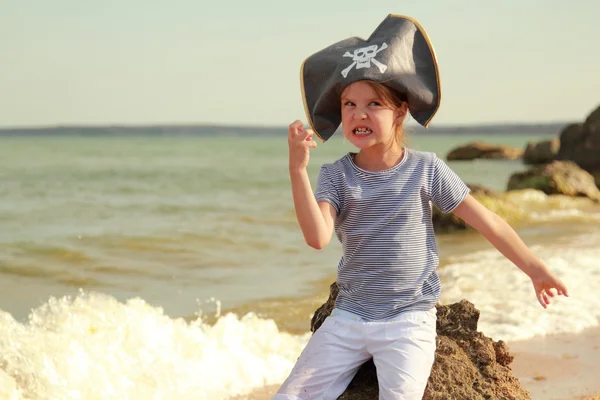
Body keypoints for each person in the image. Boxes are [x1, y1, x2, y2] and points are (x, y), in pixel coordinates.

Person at [274, 14, 568, 400]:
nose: (358, 114)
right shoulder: (336, 175)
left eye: (373, 103)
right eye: (349, 104)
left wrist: (536, 269)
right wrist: (298, 169)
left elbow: (487, 221)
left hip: (408, 319)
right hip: (349, 317)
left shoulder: (425, 169)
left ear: (399, 112)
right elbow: (317, 237)